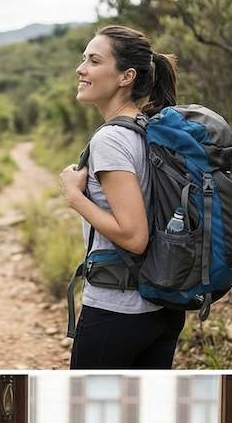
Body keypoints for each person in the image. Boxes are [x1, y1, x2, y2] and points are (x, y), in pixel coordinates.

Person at [60, 25, 184, 369]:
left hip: (118, 309)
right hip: (162, 310)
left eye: (94, 60)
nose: (80, 69)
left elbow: (134, 236)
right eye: (84, 58)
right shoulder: (150, 128)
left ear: (125, 76)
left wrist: (75, 196)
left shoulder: (111, 140)